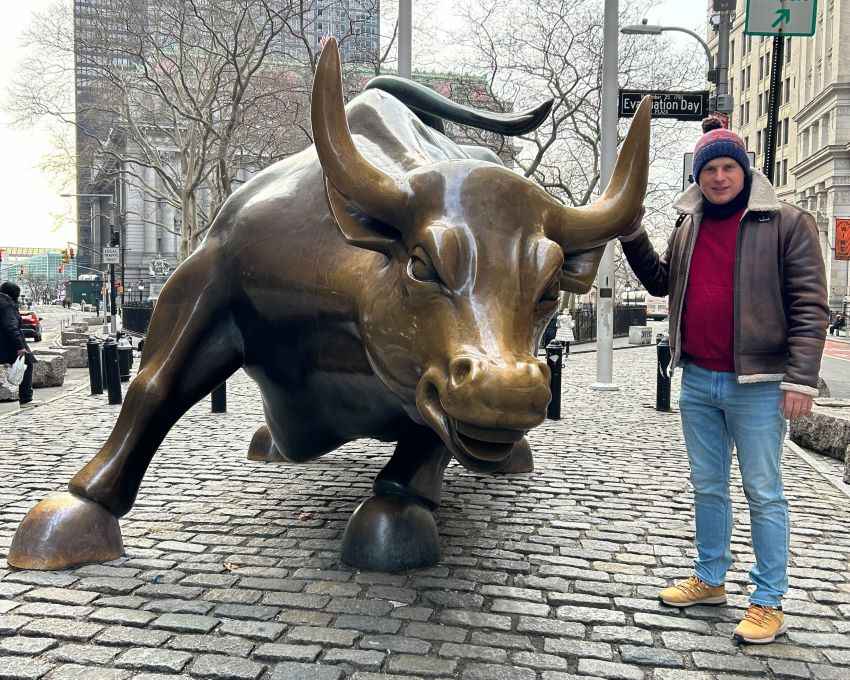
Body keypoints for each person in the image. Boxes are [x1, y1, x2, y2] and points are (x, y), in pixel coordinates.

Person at [619, 118, 828, 644]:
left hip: (758, 384)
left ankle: (767, 598)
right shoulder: (688, 224)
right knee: (708, 488)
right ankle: (711, 578)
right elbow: (662, 281)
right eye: (708, 169)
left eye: (727, 167)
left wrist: (800, 379)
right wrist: (631, 232)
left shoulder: (786, 222)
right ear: (698, 176)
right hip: (697, 380)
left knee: (764, 491)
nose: (718, 178)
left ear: (744, 170)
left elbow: (809, 306)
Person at [0, 282, 37, 408]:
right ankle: (26, 399)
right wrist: (20, 346)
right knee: (27, 361)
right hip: (7, 344)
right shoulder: (7, 305)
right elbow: (11, 327)